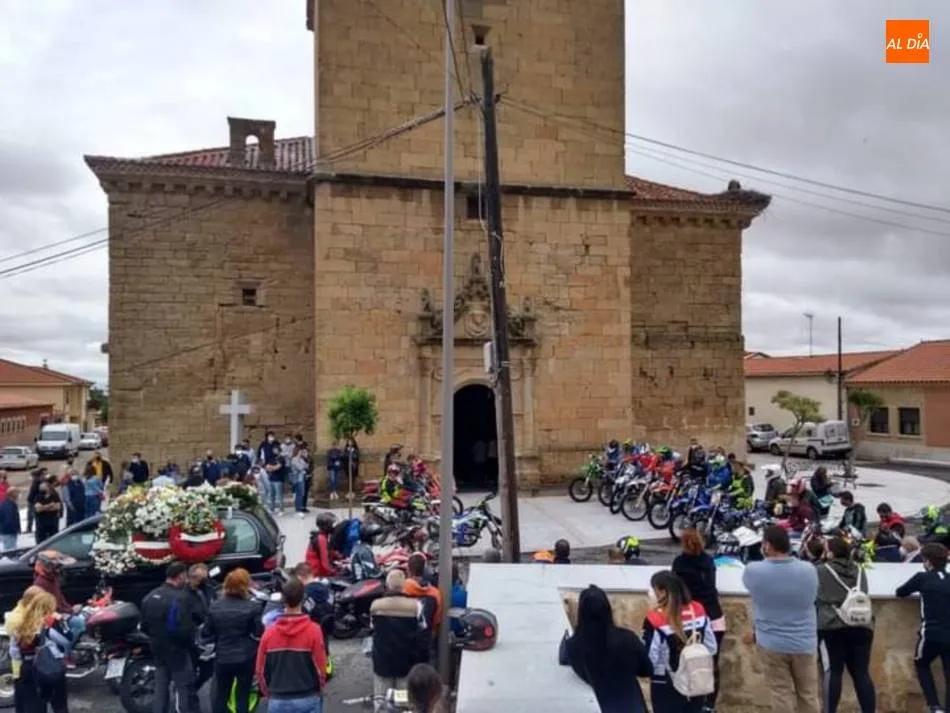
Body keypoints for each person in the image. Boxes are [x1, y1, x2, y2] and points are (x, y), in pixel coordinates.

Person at [742, 525, 820, 713]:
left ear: (768, 545)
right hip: (804, 642)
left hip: (772, 642)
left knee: (780, 693)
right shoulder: (809, 570)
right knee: (808, 694)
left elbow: (751, 586)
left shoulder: (754, 570)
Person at [561, 584, 652, 713]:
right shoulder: (627, 639)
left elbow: (566, 658)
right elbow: (647, 670)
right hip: (632, 706)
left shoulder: (573, 645)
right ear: (607, 609)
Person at [642, 570, 717, 713]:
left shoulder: (655, 619)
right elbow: (711, 647)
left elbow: (650, 659)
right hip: (696, 678)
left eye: (654, 589)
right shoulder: (698, 609)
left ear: (663, 592)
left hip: (665, 682)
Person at [816, 537, 876, 713]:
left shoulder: (821, 570)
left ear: (831, 553)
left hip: (832, 626)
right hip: (862, 626)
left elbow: (816, 595)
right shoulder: (859, 570)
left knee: (833, 672)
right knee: (862, 673)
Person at [256, 577, 327, 713]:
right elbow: (320, 667)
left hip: (278, 699)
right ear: (302, 598)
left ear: (283, 600)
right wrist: (319, 688)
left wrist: (268, 693)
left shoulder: (269, 634)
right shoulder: (314, 631)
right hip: (308, 696)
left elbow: (260, 670)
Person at [671, 529, 724, 710]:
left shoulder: (679, 563)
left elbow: (676, 591)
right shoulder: (708, 560)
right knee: (712, 663)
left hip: (692, 619)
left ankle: (691, 701)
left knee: (688, 661)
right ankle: (709, 705)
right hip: (715, 617)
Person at [896, 542, 950, 713]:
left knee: (921, 663)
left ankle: (934, 706)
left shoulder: (922, 578)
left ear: (928, 561)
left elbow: (901, 592)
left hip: (931, 633)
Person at [140, 563, 200, 713]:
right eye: (185, 576)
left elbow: (144, 625)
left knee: (161, 686)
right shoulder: (179, 598)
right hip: (177, 650)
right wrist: (191, 645)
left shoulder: (150, 596)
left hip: (157, 647)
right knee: (184, 688)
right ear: (180, 576)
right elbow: (184, 629)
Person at [203, 568, 264, 713]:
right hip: (245, 657)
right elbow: (258, 632)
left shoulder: (215, 606)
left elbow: (207, 632)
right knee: (242, 696)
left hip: (222, 657)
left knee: (221, 696)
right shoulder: (253, 607)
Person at [370, 570, 430, 712]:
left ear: (387, 585)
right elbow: (423, 629)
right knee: (403, 703)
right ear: (404, 586)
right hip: (406, 662)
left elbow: (372, 627)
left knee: (382, 703)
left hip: (383, 661)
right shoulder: (416, 606)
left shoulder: (376, 605)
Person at [8, 588, 74, 713]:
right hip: (51, 666)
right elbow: (66, 641)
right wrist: (61, 622)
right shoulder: (51, 622)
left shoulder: (20, 622)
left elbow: (14, 651)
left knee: (33, 705)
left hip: (28, 667)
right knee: (59, 704)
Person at [403, 553, 442, 634]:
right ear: (424, 570)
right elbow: (436, 621)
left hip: (404, 637)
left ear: (408, 570)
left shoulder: (402, 589)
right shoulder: (435, 593)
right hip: (425, 637)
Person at [306, 513, 341, 578]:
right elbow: (325, 563)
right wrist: (336, 572)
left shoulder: (322, 536)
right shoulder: (321, 539)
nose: (335, 527)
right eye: (333, 525)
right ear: (327, 526)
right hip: (317, 573)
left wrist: (338, 556)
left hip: (316, 570)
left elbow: (328, 551)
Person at [33, 477, 62, 544]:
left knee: (54, 542)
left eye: (44, 487)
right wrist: (50, 505)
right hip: (41, 525)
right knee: (41, 543)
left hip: (52, 524)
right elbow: (38, 509)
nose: (42, 489)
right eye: (41, 488)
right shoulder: (37, 497)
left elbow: (57, 507)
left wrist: (43, 507)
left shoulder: (54, 496)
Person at [290, 446, 312, 518]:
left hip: (302, 478)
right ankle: (298, 509)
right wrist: (304, 466)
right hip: (297, 478)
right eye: (300, 451)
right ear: (297, 452)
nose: (301, 453)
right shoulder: (294, 459)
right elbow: (300, 467)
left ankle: (301, 507)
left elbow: (307, 466)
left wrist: (304, 466)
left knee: (302, 493)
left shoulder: (301, 459)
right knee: (299, 494)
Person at [0, 487, 21, 552]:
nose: (18, 495)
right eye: (17, 493)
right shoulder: (8, 505)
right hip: (9, 533)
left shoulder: (10, 503)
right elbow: (9, 519)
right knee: (10, 551)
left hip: (8, 532)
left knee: (10, 549)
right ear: (12, 494)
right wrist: (14, 529)